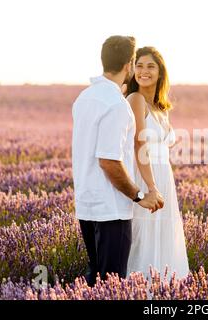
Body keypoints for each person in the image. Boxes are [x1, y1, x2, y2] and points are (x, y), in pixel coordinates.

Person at [71, 36, 164, 287]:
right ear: (129, 65)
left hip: (87, 203)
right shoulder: (116, 105)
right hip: (111, 208)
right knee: (113, 284)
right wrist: (138, 196)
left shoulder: (84, 98)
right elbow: (109, 161)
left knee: (97, 281)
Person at [126, 47, 190, 280]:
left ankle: (164, 291)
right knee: (142, 240)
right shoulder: (135, 99)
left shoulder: (161, 109)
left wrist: (159, 185)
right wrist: (151, 187)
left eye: (150, 66)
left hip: (164, 179)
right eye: (139, 66)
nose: (144, 71)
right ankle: (138, 292)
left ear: (161, 72)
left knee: (162, 239)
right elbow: (138, 145)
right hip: (145, 177)